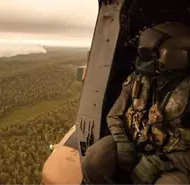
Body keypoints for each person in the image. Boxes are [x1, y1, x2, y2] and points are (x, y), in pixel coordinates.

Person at [81, 22, 190, 185]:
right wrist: (122, 143)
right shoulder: (139, 79)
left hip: (171, 162)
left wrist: (158, 162)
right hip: (133, 145)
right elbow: (114, 114)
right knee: (94, 158)